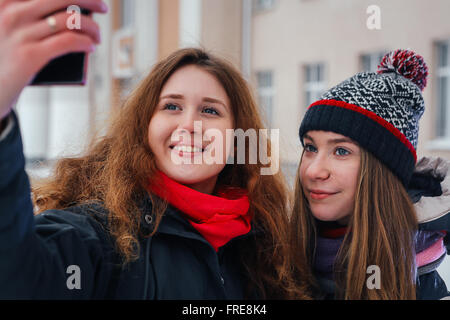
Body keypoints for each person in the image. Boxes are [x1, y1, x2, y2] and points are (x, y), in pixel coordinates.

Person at [0, 0, 307, 299]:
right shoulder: (102, 234)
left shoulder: (262, 247)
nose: (189, 124)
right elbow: (21, 278)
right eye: (172, 106)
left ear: (238, 137)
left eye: (210, 111)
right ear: (144, 128)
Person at [290, 49, 450, 300]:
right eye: (310, 147)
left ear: (383, 171)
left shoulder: (421, 290)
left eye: (341, 151)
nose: (313, 170)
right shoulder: (274, 259)